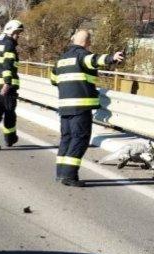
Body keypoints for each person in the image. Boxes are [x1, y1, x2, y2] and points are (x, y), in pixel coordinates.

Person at [49, 30, 125, 186]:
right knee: (80, 139)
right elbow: (95, 60)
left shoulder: (61, 60)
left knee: (67, 139)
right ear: (87, 41)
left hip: (64, 107)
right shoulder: (82, 55)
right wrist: (113, 57)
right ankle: (69, 176)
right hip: (80, 107)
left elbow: (54, 80)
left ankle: (61, 173)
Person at [0, 19, 24, 150]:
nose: (18, 36)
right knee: (9, 114)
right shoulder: (9, 45)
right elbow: (8, 66)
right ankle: (10, 138)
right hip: (6, 88)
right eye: (17, 33)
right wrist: (7, 83)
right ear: (11, 32)